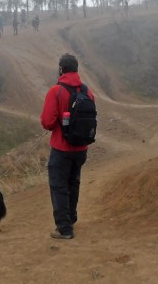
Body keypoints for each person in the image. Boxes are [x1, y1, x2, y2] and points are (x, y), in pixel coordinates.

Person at [40, 53, 95, 240]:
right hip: (81, 149)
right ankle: (70, 219)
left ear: (61, 69)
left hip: (61, 149)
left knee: (59, 186)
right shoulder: (88, 92)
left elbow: (47, 122)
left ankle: (64, 229)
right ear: (77, 69)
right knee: (74, 183)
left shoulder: (56, 91)